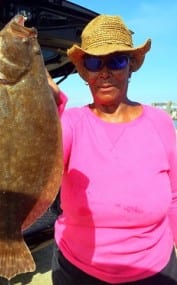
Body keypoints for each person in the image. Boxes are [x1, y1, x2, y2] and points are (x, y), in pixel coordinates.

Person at [47, 14, 177, 285]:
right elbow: (39, 165)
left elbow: (175, 197)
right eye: (94, 62)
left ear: (130, 66)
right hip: (76, 271)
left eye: (116, 60)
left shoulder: (161, 123)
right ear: (85, 72)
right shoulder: (70, 123)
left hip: (155, 271)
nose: (104, 72)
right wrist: (48, 106)